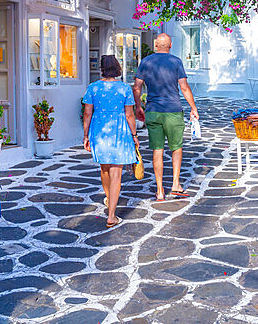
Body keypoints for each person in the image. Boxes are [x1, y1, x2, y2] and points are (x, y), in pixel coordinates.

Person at [133, 33, 199, 201]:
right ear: (170, 46)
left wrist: (139, 107)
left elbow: (137, 87)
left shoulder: (146, 62)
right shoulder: (175, 62)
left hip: (153, 111)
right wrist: (193, 107)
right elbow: (184, 87)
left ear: (156, 45)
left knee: (157, 149)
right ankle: (176, 184)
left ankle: (160, 190)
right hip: (173, 110)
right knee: (176, 147)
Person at [82, 55, 138, 228]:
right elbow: (129, 114)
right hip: (119, 132)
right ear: (117, 68)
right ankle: (111, 215)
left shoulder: (93, 88)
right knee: (116, 173)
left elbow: (87, 114)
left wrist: (85, 135)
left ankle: (109, 199)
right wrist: (134, 135)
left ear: (102, 69)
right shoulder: (124, 89)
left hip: (99, 131)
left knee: (104, 169)